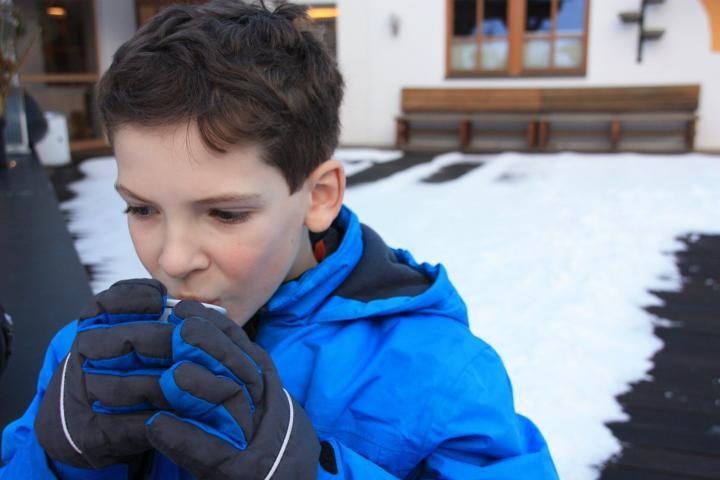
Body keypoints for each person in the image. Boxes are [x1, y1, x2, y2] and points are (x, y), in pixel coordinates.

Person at [0, 1, 559, 478]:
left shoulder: (438, 374)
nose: (171, 258)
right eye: (142, 207)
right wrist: (54, 461)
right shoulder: (95, 354)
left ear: (318, 197)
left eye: (224, 213)